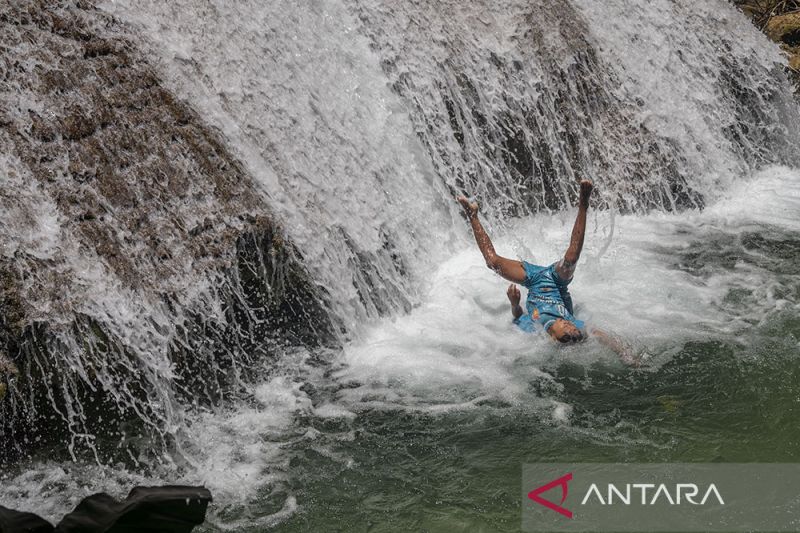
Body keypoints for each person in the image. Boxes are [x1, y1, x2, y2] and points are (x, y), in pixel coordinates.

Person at [457, 180, 637, 364]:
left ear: (553, 338)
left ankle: (472, 214)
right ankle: (584, 202)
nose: (571, 327)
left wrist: (514, 303)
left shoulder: (535, 329)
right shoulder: (574, 324)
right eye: (575, 331)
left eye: (567, 334)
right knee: (571, 258)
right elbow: (600, 335)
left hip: (533, 280)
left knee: (492, 262)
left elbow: (518, 316)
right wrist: (626, 355)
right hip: (557, 281)